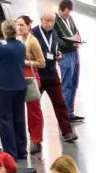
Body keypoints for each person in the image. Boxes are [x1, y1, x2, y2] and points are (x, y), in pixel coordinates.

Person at [28, 10, 78, 152]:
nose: (49, 24)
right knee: (34, 107)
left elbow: (54, 49)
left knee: (60, 103)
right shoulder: (34, 34)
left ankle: (67, 131)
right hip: (37, 75)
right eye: (46, 21)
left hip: (52, 74)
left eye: (52, 21)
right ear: (41, 20)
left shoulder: (55, 33)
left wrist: (58, 54)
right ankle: (34, 138)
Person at [0, 19, 26, 160]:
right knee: (19, 118)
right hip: (20, 87)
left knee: (5, 120)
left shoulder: (2, 48)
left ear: (4, 32)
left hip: (5, 88)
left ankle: (11, 153)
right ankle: (22, 150)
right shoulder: (21, 46)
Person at [17, 15, 46, 155]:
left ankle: (37, 140)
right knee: (19, 111)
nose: (19, 28)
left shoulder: (33, 42)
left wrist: (26, 62)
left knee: (34, 111)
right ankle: (24, 137)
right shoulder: (17, 39)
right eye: (18, 25)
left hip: (31, 78)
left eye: (22, 25)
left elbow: (42, 63)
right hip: (18, 77)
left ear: (29, 26)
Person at [53, 0, 83, 121]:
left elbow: (75, 31)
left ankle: (70, 112)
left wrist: (78, 39)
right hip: (65, 54)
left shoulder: (69, 18)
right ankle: (64, 114)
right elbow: (56, 39)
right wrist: (69, 43)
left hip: (74, 53)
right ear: (61, 10)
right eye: (66, 12)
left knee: (74, 84)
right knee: (67, 85)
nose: (68, 14)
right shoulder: (55, 20)